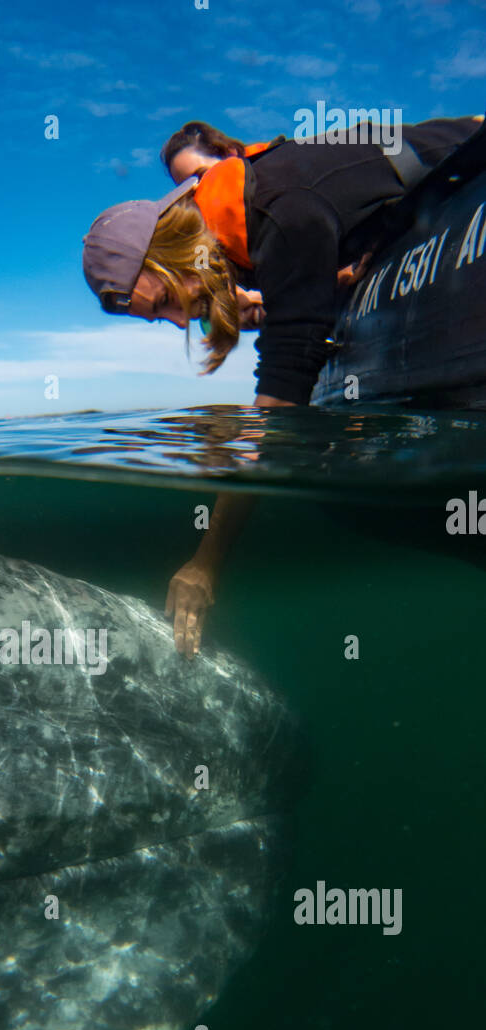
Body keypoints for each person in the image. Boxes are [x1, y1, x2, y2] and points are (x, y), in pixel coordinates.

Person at [82, 114, 484, 657]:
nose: (180, 323)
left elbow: (277, 406)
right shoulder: (250, 221)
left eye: (165, 304)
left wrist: (206, 564)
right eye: (162, 319)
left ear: (170, 251)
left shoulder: (281, 213)